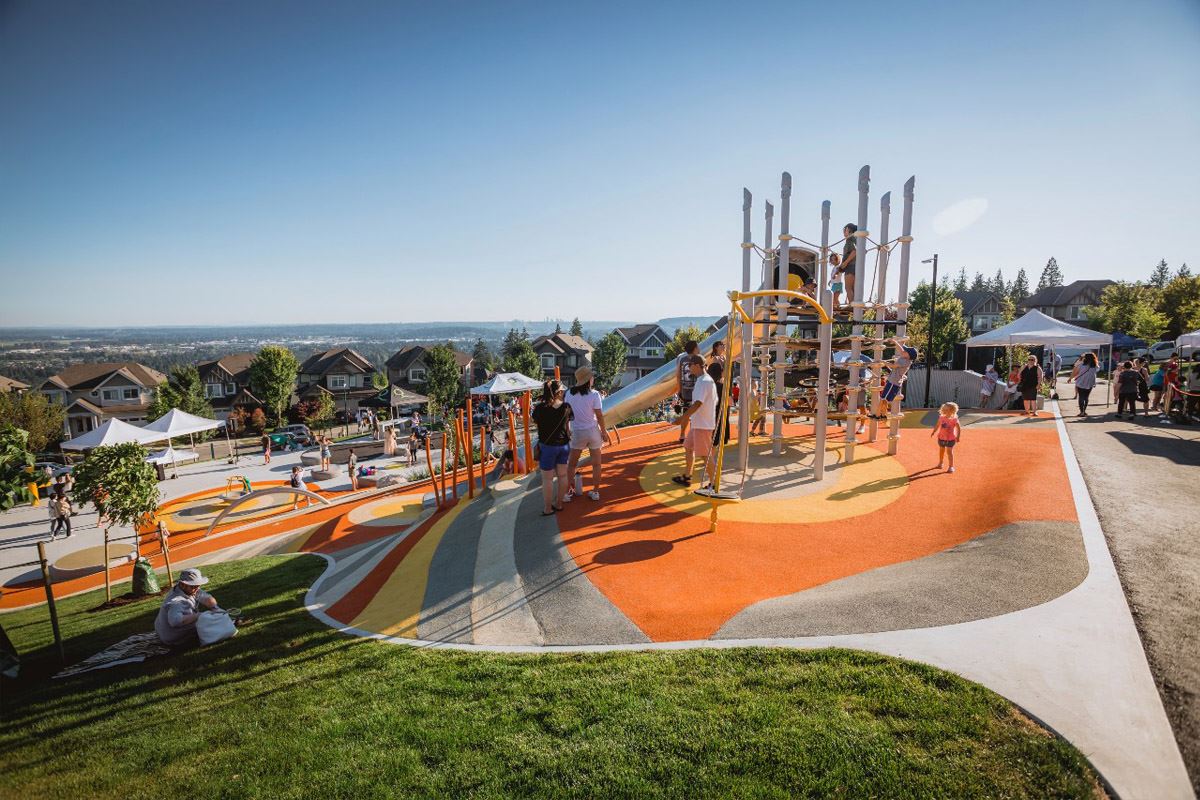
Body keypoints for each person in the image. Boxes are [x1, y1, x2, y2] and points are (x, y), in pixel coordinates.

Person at [672, 355, 718, 488]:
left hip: (702, 425)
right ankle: (687, 476)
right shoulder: (704, 380)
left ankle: (714, 484)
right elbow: (702, 403)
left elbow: (698, 403)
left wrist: (682, 418)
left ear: (697, 365)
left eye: (690, 365)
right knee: (688, 447)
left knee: (705, 455)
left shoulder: (704, 381)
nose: (689, 368)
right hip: (699, 424)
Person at [564, 367, 610, 502]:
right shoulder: (595, 394)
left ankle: (567, 493)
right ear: (588, 380)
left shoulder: (568, 394)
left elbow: (566, 415)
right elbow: (599, 416)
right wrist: (604, 431)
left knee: (572, 464)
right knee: (597, 464)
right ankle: (595, 492)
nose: (593, 378)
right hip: (592, 431)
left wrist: (567, 430)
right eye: (592, 377)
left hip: (577, 432)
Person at [531, 379, 572, 515]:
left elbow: (537, 424)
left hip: (547, 447)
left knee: (547, 479)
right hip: (564, 446)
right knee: (562, 476)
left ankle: (548, 508)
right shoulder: (566, 407)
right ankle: (559, 504)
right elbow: (568, 429)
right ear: (559, 392)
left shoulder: (539, 409)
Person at [154, 568, 219, 647]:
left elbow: (206, 597)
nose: (197, 589)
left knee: (210, 620)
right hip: (171, 636)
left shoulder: (189, 589)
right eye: (193, 586)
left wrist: (215, 608)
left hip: (162, 630)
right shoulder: (176, 601)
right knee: (209, 624)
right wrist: (198, 615)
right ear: (182, 584)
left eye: (198, 586)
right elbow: (175, 621)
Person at [873, 343, 918, 418]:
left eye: (905, 352)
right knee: (885, 400)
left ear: (908, 355)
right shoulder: (906, 359)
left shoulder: (904, 361)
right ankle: (883, 415)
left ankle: (877, 415)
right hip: (894, 382)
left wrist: (883, 362)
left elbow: (893, 366)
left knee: (882, 399)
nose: (902, 352)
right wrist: (896, 342)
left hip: (893, 383)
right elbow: (902, 350)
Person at [674, 340, 700, 444]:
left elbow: (678, 375)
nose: (699, 349)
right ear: (694, 349)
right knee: (695, 413)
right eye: (697, 347)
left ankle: (682, 435)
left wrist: (680, 389)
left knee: (686, 413)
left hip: (685, 390)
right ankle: (692, 435)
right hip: (696, 390)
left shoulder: (682, 359)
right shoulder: (698, 359)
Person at [828, 223, 859, 307]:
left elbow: (854, 251)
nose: (843, 232)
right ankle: (853, 304)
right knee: (853, 288)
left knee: (848, 288)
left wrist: (845, 263)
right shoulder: (856, 239)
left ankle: (852, 305)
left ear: (848, 230)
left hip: (850, 266)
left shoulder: (850, 240)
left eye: (844, 230)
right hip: (855, 266)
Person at [930, 402, 962, 473]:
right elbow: (937, 425)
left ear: (952, 410)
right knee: (941, 451)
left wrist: (958, 436)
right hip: (941, 437)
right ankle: (940, 463)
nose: (945, 411)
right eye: (944, 409)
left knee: (949, 452)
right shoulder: (941, 418)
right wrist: (934, 431)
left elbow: (958, 428)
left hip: (951, 439)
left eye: (947, 410)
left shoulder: (955, 419)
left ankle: (951, 466)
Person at [1068, 352, 1099, 417]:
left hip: (1081, 382)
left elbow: (1075, 373)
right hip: (1090, 383)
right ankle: (1084, 411)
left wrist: (1070, 378)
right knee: (1086, 397)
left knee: (1081, 397)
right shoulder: (1096, 366)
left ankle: (1081, 412)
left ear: (1085, 358)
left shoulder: (1081, 365)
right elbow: (1096, 371)